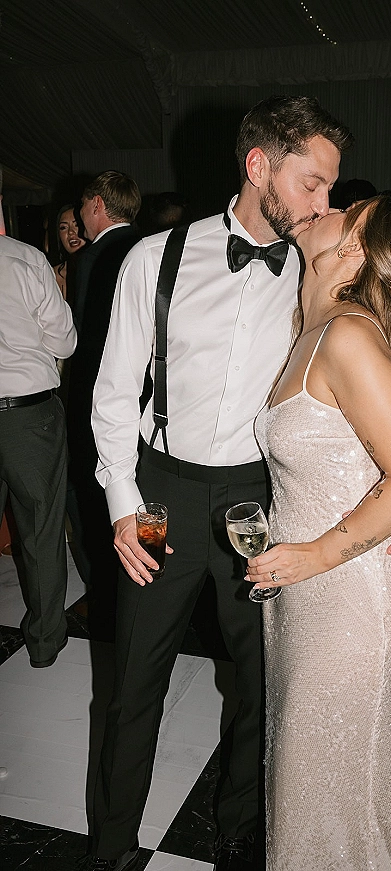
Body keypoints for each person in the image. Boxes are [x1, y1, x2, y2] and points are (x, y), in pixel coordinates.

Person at [85, 96, 353, 871]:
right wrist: (123, 507)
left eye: (330, 189)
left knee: (265, 683)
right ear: (258, 166)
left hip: (254, 502)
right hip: (161, 495)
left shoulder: (316, 268)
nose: (321, 204)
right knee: (135, 683)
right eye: (311, 184)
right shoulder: (154, 259)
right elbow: (111, 396)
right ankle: (110, 849)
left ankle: (240, 823)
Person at [245, 195, 391, 870]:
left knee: (332, 790)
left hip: (350, 598)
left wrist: (315, 552)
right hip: (308, 594)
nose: (325, 206)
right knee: (332, 785)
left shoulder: (347, 335)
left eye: (345, 207)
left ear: (355, 246)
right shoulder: (316, 326)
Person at [66, 172, 141, 640]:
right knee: (144, 496)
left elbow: (80, 341)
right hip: (151, 401)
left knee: (95, 500)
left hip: (103, 397)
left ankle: (108, 596)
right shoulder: (157, 246)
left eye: (81, 208)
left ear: (97, 205)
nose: (78, 218)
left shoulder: (91, 258)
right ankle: (148, 578)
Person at [0, 234, 76, 666]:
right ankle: (45, 643)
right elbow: (65, 344)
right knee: (40, 531)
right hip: (27, 418)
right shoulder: (26, 260)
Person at [53, 204, 86, 304]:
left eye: (76, 225)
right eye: (63, 227)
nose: (71, 232)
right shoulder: (51, 275)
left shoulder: (99, 267)